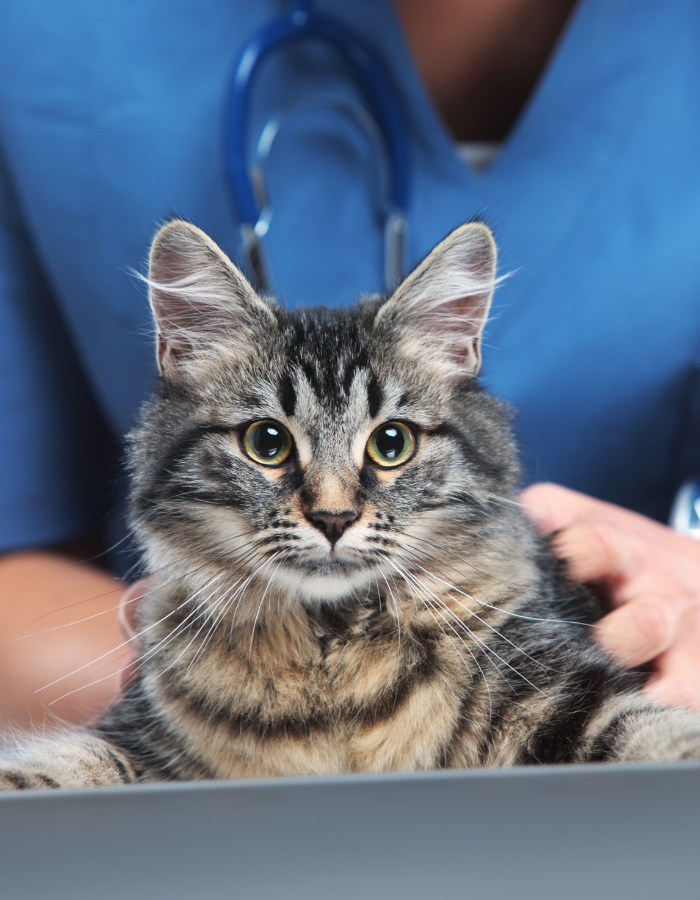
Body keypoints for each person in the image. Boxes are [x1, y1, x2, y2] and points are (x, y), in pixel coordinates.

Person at [1, 0, 700, 732]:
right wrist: (235, 714)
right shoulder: (50, 34)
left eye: (390, 444)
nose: (333, 505)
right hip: (207, 762)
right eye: (268, 443)